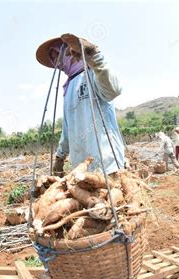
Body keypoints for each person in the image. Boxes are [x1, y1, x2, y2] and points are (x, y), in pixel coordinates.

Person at [36, 33, 125, 177]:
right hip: (80, 170)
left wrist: (94, 57)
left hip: (107, 166)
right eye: (53, 60)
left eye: (58, 55)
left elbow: (113, 90)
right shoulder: (68, 87)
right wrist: (60, 156)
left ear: (71, 51)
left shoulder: (93, 73)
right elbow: (67, 129)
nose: (56, 62)